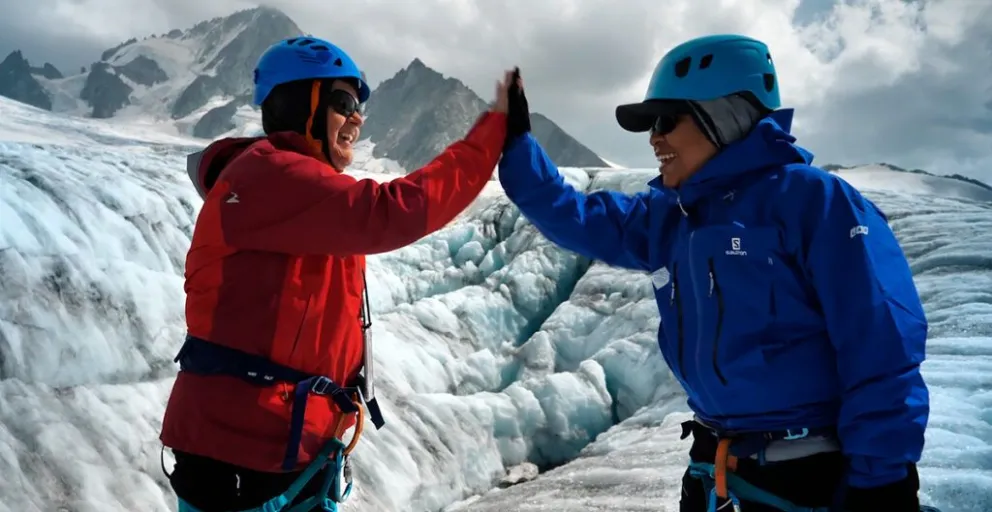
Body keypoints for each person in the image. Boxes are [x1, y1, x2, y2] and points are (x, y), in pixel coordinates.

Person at [497, 34, 931, 512]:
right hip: (719, 472)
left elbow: (881, 346)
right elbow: (571, 213)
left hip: (813, 482)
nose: (653, 137)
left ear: (723, 115)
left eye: (667, 119)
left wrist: (882, 483)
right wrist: (517, 143)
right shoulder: (669, 216)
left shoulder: (816, 202)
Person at [160, 35, 514, 512]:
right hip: (244, 463)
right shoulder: (269, 177)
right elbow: (392, 212)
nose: (357, 119)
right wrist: (491, 136)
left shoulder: (291, 190)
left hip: (280, 456)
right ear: (297, 104)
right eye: (343, 102)